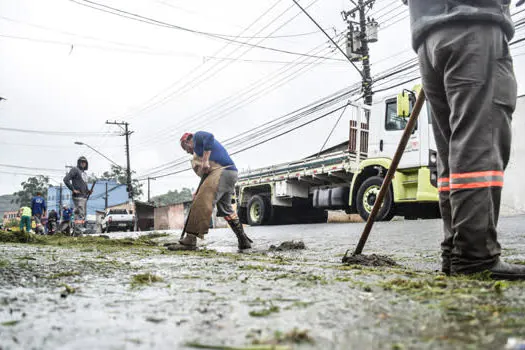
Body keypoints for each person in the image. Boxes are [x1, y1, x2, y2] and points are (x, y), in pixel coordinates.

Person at [404, 0, 525, 279]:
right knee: (479, 146)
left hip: (428, 37)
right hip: (473, 26)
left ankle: (454, 250)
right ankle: (474, 256)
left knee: (452, 156)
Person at [168, 131, 253, 251]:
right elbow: (206, 176)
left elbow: (209, 136)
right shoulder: (201, 151)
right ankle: (243, 240)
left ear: (188, 141)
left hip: (222, 171)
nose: (187, 152)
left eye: (185, 148)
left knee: (201, 203)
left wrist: (205, 160)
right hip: (230, 173)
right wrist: (198, 192)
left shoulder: (197, 137)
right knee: (226, 210)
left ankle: (190, 240)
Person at [63, 156, 91, 229]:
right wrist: (73, 189)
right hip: (78, 196)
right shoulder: (75, 169)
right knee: (80, 214)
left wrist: (88, 191)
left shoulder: (84, 173)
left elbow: (83, 184)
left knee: (82, 214)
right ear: (79, 162)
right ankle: (78, 232)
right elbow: (66, 180)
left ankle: (77, 230)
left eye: (84, 162)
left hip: (84, 196)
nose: (83, 163)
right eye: (81, 162)